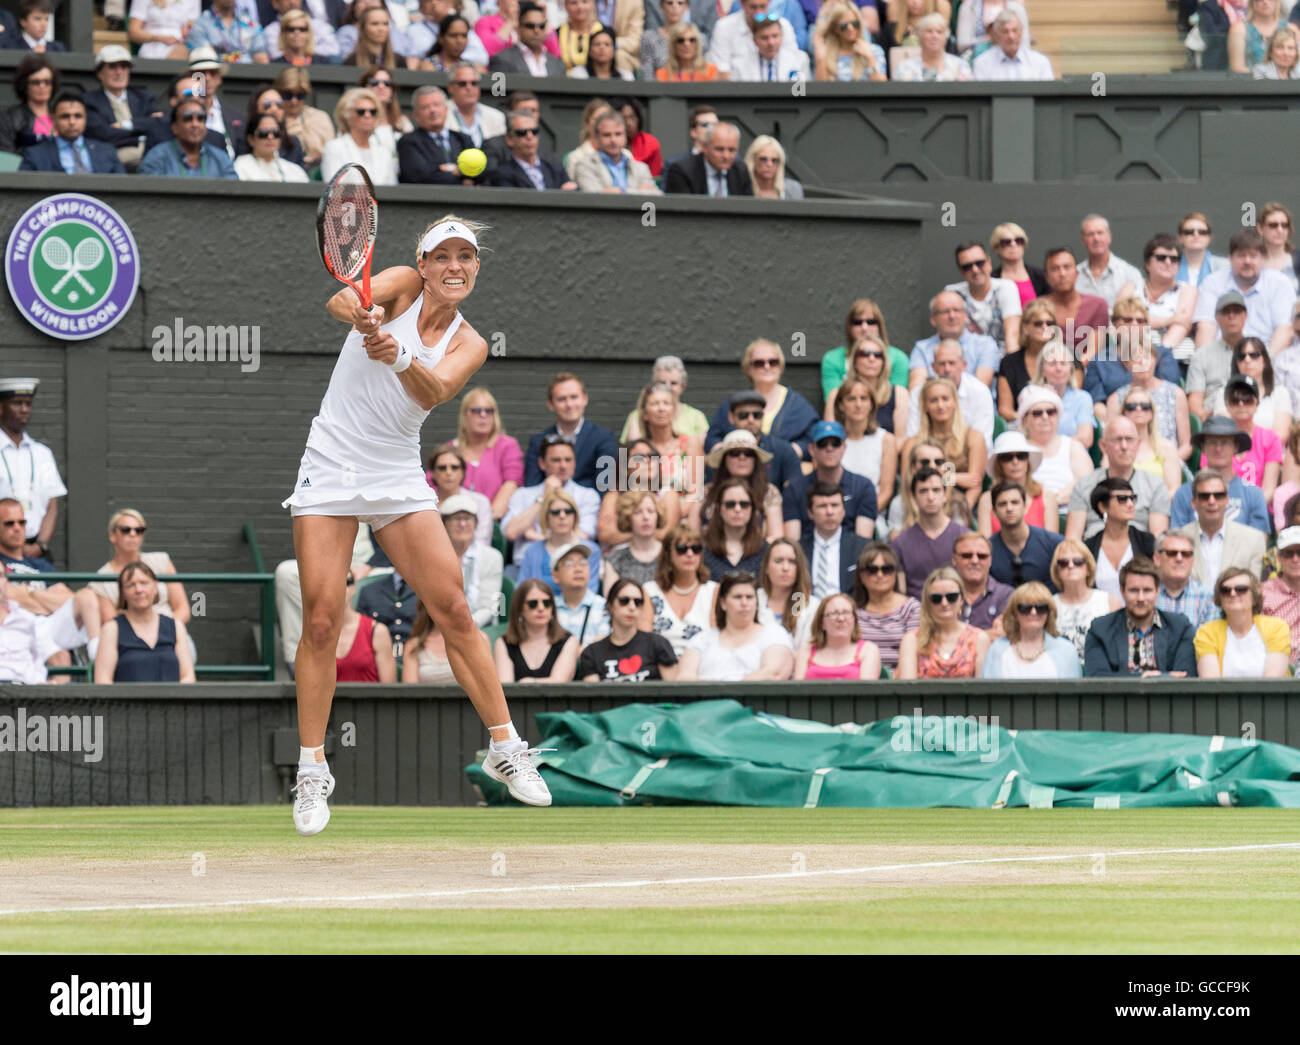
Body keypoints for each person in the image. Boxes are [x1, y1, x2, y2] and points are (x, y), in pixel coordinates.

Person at [281, 216, 552, 836]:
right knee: (322, 616)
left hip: (397, 473)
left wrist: (397, 351)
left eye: (467, 257)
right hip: (332, 463)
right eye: (444, 256)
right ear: (424, 264)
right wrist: (362, 314)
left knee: (454, 608)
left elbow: (432, 392)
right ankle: (313, 769)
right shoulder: (399, 283)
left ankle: (506, 748)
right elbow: (340, 296)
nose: (456, 266)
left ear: (475, 268)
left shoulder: (471, 342)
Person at [1104, 304, 1192, 466]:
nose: (1141, 362)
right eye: (1135, 358)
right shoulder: (1115, 399)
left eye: (1146, 357)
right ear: (1126, 363)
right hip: (1128, 465)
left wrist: (1166, 463)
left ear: (1155, 360)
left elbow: (1186, 445)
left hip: (1169, 464)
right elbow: (1109, 444)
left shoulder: (1176, 394)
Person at [1083, 557, 1197, 677]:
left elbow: (1186, 679)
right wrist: (1156, 678)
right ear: (1122, 591)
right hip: (1118, 696)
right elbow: (1097, 680)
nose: (1141, 598)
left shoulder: (1180, 628)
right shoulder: (1100, 630)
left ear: (1157, 591)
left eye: (1147, 590)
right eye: (1134, 590)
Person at [705, 340, 818, 456]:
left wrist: (797, 449)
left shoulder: (797, 404)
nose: (767, 367)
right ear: (748, 368)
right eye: (759, 363)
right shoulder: (734, 403)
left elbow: (815, 437)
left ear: (781, 366)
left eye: (773, 362)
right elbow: (712, 437)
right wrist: (722, 451)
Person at [1192, 230, 1295, 358]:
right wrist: (1206, 365)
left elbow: (1285, 330)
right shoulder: (1212, 283)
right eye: (1241, 256)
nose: (1247, 261)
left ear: (1263, 259)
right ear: (1230, 258)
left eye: (1253, 256)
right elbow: (1205, 329)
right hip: (1222, 357)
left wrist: (1263, 362)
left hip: (1267, 357)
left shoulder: (1280, 283)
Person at [676, 570, 794, 681]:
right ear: (723, 603)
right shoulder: (701, 640)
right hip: (709, 702)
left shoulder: (773, 633)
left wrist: (730, 691)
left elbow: (773, 673)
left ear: (757, 602)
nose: (744, 603)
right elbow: (684, 678)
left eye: (749, 597)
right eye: (737, 597)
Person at [1066, 417, 1171, 540]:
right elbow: (1073, 539)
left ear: (1138, 445)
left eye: (1129, 439)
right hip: (1092, 553)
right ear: (1103, 446)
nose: (1124, 446)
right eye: (1117, 440)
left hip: (1140, 554)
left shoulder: (1155, 485)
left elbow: (1157, 539)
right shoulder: (1084, 485)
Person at [86, 508, 190, 631]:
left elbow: (183, 608)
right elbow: (111, 622)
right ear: (112, 536)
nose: (133, 534)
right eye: (126, 530)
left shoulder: (161, 561)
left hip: (171, 633)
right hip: (130, 641)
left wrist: (165, 633)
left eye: (139, 530)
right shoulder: (100, 579)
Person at [94, 563, 197, 684]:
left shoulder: (176, 626)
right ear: (123, 592)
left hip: (171, 702)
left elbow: (188, 676)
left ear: (156, 587)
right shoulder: (112, 629)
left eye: (144, 583)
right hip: (127, 702)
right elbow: (103, 681)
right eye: (131, 585)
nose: (139, 589)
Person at [503, 434, 601, 560]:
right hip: (527, 568)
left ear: (575, 462)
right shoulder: (522, 494)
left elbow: (585, 535)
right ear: (542, 463)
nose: (563, 466)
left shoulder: (588, 495)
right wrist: (543, 498)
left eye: (568, 460)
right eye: (556, 460)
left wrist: (532, 535)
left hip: (571, 566)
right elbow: (511, 532)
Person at [1169, 416, 1271, 534]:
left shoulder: (1254, 495)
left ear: (1236, 447)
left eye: (1225, 443)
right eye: (1212, 442)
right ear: (1202, 447)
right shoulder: (1184, 493)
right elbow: (1176, 541)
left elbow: (1258, 543)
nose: (1218, 448)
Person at [1085, 298, 1182, 416]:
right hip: (1115, 422)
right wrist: (1121, 424)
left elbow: (1169, 395)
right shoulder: (1099, 361)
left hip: (1157, 417)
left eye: (1141, 321)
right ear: (1115, 324)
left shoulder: (1162, 355)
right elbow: (1096, 403)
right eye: (1128, 320)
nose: (1134, 324)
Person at [782, 421, 878, 540]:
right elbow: (793, 543)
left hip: (851, 556)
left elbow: (863, 543)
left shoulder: (864, 487)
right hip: (806, 555)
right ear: (811, 449)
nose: (829, 448)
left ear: (844, 447)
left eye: (835, 443)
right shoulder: (794, 489)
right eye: (822, 444)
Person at [522, 373, 619, 489]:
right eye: (562, 399)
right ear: (550, 404)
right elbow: (532, 487)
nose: (569, 404)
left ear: (585, 399)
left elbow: (605, 486)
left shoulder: (604, 438)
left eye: (574, 397)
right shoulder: (538, 442)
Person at [902, 377, 987, 508]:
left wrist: (962, 512)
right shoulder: (913, 443)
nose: (940, 405)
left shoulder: (973, 437)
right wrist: (955, 478)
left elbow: (975, 484)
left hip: (960, 505)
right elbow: (907, 483)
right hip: (921, 505)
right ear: (925, 406)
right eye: (934, 400)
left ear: (955, 401)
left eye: (945, 399)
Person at [1195, 567, 1290, 678]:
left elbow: (1273, 681)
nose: (1233, 593)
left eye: (1241, 589)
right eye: (1226, 590)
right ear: (1219, 598)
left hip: (1267, 695)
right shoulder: (1207, 632)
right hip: (1222, 696)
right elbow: (1211, 683)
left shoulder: (1276, 627)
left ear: (1254, 597)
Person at [904, 339, 994, 454]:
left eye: (952, 363)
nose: (947, 369)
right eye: (942, 363)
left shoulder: (980, 391)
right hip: (928, 458)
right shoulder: (918, 393)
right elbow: (914, 436)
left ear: (964, 365)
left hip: (967, 458)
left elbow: (983, 442)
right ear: (933, 367)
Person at [1176, 470, 1267, 584]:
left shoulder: (1253, 540)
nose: (1211, 501)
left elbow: (1253, 590)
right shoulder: (1178, 540)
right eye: (1205, 496)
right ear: (1194, 502)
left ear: (1227, 501)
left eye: (1218, 496)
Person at [579, 577, 679, 680]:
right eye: (624, 601)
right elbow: (593, 694)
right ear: (610, 605)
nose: (632, 607)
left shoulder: (657, 644)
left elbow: (674, 690)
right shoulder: (592, 653)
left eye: (637, 602)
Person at [897, 566, 989, 678]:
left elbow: (982, 690)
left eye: (952, 597)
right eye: (936, 598)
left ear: (962, 599)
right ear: (927, 602)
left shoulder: (979, 638)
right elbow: (907, 689)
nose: (944, 603)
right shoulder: (912, 640)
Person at [640, 522, 717, 655]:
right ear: (668, 553)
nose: (690, 554)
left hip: (702, 667)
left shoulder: (714, 590)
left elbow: (716, 642)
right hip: (660, 668)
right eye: (681, 549)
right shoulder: (648, 590)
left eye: (696, 548)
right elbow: (644, 642)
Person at [82, 45, 162, 173]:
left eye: (124, 66)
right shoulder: (89, 101)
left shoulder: (144, 96)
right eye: (112, 67)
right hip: (110, 164)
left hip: (149, 160)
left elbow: (158, 124)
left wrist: (126, 125)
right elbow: (103, 134)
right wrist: (141, 134)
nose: (119, 72)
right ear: (99, 73)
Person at [892, 467, 969, 598]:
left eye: (936, 490)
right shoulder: (900, 544)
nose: (930, 497)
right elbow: (900, 594)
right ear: (914, 498)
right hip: (917, 614)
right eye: (923, 491)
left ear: (945, 495)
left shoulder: (965, 537)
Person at [981, 581, 1080, 679]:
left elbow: (1074, 693)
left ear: (1049, 613)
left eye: (1041, 607)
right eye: (1025, 608)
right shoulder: (996, 650)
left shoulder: (1066, 650)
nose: (1033, 612)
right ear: (1015, 613)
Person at [697, 429, 783, 539]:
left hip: (758, 553)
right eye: (735, 453)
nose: (742, 457)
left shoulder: (769, 492)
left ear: (755, 459)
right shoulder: (707, 492)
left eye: (748, 453)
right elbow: (693, 535)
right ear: (724, 459)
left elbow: (776, 536)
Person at [821, 299, 911, 402]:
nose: (864, 327)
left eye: (871, 322)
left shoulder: (899, 358)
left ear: (880, 326)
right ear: (849, 327)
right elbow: (832, 402)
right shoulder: (832, 359)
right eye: (857, 322)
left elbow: (898, 400)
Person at [494, 577, 580, 683]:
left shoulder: (569, 641)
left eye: (547, 603)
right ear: (520, 609)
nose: (541, 608)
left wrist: (529, 682)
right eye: (533, 604)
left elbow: (559, 682)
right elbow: (506, 686)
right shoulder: (503, 643)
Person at [19, 88, 126, 173]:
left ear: (86, 118)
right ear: (53, 120)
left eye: (78, 116)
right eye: (65, 116)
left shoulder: (107, 151)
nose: (72, 122)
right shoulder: (34, 155)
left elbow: (123, 189)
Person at [597, 438, 682, 544]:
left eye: (652, 455)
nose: (648, 460)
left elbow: (667, 535)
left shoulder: (668, 494)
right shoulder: (613, 496)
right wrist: (645, 534)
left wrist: (629, 534)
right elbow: (606, 534)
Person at [909, 291, 999, 391]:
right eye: (945, 312)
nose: (952, 316)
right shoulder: (922, 349)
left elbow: (981, 389)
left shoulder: (985, 345)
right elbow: (917, 392)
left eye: (956, 310)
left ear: (965, 316)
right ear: (933, 320)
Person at [833, 378, 898, 516]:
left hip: (872, 515)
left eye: (864, 399)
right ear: (841, 405)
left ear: (871, 405)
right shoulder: (830, 441)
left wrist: (866, 516)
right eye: (851, 399)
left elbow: (886, 492)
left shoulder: (886, 440)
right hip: (833, 515)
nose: (858, 404)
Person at [852, 541, 920, 672]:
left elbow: (915, 654)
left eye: (886, 569)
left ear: (895, 574)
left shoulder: (911, 608)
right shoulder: (853, 612)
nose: (880, 575)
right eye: (872, 570)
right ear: (861, 576)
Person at [519, 488, 601, 594]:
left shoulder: (591, 550)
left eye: (568, 511)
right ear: (546, 517)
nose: (562, 516)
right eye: (555, 512)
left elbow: (590, 592)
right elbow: (521, 592)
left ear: (575, 516)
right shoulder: (532, 551)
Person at [826, 333, 909, 436]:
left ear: (884, 361)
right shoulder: (835, 394)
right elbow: (829, 436)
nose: (871, 359)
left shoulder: (899, 394)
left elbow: (900, 439)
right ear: (854, 360)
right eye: (864, 354)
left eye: (878, 355)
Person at [1209, 338, 1292, 441]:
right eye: (1241, 356)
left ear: (1265, 359)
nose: (1247, 360)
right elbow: (1225, 430)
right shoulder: (1224, 393)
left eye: (1254, 355)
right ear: (1236, 363)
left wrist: (1257, 450)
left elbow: (1281, 435)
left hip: (1270, 453)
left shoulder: (1280, 393)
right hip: (1235, 452)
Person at [1086, 477, 1155, 600]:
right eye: (1122, 499)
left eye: (1132, 498)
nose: (1130, 504)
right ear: (1102, 507)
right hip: (1099, 617)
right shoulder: (1088, 548)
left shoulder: (1146, 542)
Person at [1041, 246, 1108, 371]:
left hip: (1084, 373)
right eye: (1055, 269)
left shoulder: (1097, 305)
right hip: (1045, 372)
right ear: (1046, 276)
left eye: (1067, 267)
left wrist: (1068, 371)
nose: (1062, 274)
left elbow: (1093, 351)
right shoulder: (1037, 307)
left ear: (1076, 273)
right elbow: (1034, 351)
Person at [439, 494, 503, 628]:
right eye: (456, 519)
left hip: (481, 627)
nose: (462, 524)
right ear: (444, 523)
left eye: (467, 519)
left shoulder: (492, 557)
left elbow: (490, 606)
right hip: (440, 627)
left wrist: (466, 627)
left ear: (475, 523)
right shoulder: (436, 557)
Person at [946, 241, 1022, 353]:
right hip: (964, 363)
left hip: (1002, 362)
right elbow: (946, 338)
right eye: (967, 266)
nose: (975, 270)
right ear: (961, 271)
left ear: (989, 263)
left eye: (980, 263)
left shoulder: (1006, 288)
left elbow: (1012, 335)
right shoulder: (952, 294)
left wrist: (1011, 368)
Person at [1050, 539, 1118, 662]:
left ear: (1088, 568)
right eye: (1063, 563)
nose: (1071, 566)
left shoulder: (1111, 603)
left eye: (1078, 562)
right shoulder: (1049, 605)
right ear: (1057, 571)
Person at [1218, 374, 1282, 505]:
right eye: (1235, 399)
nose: (1241, 403)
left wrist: (1250, 510)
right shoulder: (1215, 439)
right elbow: (1209, 482)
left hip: (1258, 509)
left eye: (1247, 399)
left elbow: (1268, 490)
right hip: (1220, 508)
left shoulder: (1270, 438)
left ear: (1257, 403)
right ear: (1227, 404)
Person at [1188, 290, 1251, 423]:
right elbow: (1195, 399)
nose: (1231, 316)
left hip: (1251, 415)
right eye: (1226, 312)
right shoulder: (1202, 355)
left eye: (1237, 311)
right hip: (1214, 421)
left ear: (1245, 315)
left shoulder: (1258, 353)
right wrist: (1203, 415)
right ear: (1216, 317)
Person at [978, 431, 1057, 536]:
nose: (1015, 462)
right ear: (999, 463)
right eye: (1007, 457)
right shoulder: (987, 500)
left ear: (1028, 460)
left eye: (1021, 456)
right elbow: (984, 545)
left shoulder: (1047, 497)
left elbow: (1051, 544)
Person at [138, 96, 238, 178]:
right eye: (188, 119)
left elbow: (234, 194)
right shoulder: (156, 158)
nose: (195, 124)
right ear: (175, 127)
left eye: (200, 119)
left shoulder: (221, 159)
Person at [799, 482, 870, 597]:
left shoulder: (863, 547)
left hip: (848, 611)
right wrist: (795, 614)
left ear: (843, 511)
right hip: (807, 611)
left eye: (834, 505)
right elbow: (794, 593)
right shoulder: (798, 549)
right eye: (822, 506)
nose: (829, 512)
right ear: (810, 513)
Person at [989, 480, 1062, 590]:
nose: (1009, 508)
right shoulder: (987, 550)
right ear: (994, 511)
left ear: (1025, 507)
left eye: (1015, 502)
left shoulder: (1053, 544)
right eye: (1002, 504)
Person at [1137, 233, 1196, 365]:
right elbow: (1122, 324)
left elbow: (1181, 326)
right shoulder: (1131, 288)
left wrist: (1156, 357)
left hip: (1170, 360)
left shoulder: (1187, 291)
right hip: (1131, 356)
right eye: (1161, 258)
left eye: (1174, 259)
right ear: (1147, 264)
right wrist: (1168, 320)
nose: (1168, 262)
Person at [1111, 387, 1183, 495]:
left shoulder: (1167, 447)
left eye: (1145, 406)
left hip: (1160, 508)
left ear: (1152, 413)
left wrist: (1154, 506)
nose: (1138, 409)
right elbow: (1109, 484)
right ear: (1124, 413)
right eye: (1131, 407)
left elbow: (1174, 490)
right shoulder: (1114, 447)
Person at [620, 356, 710, 442]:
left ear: (682, 387)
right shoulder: (636, 416)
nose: (668, 387)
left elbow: (702, 454)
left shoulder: (696, 417)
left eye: (673, 383)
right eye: (662, 383)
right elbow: (625, 454)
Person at [795, 592, 881, 680]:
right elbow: (797, 690)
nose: (841, 619)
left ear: (854, 620)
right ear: (821, 622)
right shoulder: (806, 649)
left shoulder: (868, 650)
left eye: (846, 613)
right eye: (834, 613)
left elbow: (866, 691)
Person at [396, 86, 471, 185]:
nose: (432, 110)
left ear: (446, 109)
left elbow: (480, 172)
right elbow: (420, 176)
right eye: (425, 107)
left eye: (436, 105)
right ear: (415, 115)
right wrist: (460, 172)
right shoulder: (408, 142)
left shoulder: (463, 139)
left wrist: (440, 169)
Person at [571, 109, 659, 193]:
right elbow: (594, 198)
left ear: (625, 136)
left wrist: (620, 191)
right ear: (596, 137)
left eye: (618, 134)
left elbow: (656, 197)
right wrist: (639, 192)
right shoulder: (584, 166)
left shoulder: (641, 168)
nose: (613, 140)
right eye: (607, 135)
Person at [487, 109, 577, 190]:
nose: (529, 136)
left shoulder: (554, 168)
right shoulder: (502, 174)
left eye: (534, 131)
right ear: (509, 139)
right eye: (521, 133)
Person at [997, 298, 1054, 422]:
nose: (1045, 327)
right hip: (1021, 427)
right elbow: (1004, 409)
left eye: (1049, 323)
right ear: (1025, 328)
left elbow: (1073, 402)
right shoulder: (1009, 363)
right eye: (1038, 323)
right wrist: (1031, 421)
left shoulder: (1068, 360)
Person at [1032, 338, 1096, 449]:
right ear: (1042, 370)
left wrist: (1053, 449)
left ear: (1070, 369)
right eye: (1052, 364)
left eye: (1063, 363)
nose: (1058, 368)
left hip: (1073, 458)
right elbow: (1023, 434)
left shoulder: (1082, 398)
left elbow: (1086, 439)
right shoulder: (1032, 396)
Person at [334, 573, 398, 682]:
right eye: (334, 582)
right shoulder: (316, 633)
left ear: (354, 587)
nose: (341, 587)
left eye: (347, 582)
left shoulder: (377, 631)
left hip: (370, 698)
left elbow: (390, 691)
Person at [0, 569, 60, 685]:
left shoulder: (26, 619)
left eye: (0, 575)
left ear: (6, 581)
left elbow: (37, 661)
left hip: (23, 696)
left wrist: (40, 683)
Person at [757, 537, 818, 649]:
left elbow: (807, 650)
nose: (785, 568)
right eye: (778, 561)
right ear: (766, 567)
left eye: (792, 562)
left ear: (799, 567)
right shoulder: (754, 599)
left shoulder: (811, 605)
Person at [709, 0, 799, 77]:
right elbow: (721, 70)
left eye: (762, 6)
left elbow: (793, 63)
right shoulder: (724, 27)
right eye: (753, 7)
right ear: (742, 4)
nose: (758, 12)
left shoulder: (783, 25)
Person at [426, 443, 493, 545]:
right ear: (433, 473)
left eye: (454, 467)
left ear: (463, 471)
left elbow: (482, 542)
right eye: (442, 468)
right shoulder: (425, 505)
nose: (448, 472)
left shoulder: (480, 502)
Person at [703, 476, 769, 579]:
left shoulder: (765, 551)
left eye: (744, 504)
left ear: (752, 509)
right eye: (730, 504)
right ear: (719, 508)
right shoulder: (702, 549)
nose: (737, 509)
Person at [1153, 529, 1218, 632]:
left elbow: (1207, 643)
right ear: (1157, 559)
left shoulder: (1207, 597)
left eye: (1186, 554)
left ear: (1192, 560)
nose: (1179, 558)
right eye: (1171, 553)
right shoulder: (1145, 594)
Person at [665, 122, 753, 196]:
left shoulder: (740, 170)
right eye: (719, 149)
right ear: (705, 147)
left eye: (732, 150)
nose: (726, 156)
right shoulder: (682, 171)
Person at [1074, 213, 1143, 308]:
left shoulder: (1129, 274)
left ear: (1109, 237)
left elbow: (1138, 312)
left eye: (1100, 233)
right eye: (1090, 234)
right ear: (1083, 240)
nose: (1096, 238)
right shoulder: (1073, 275)